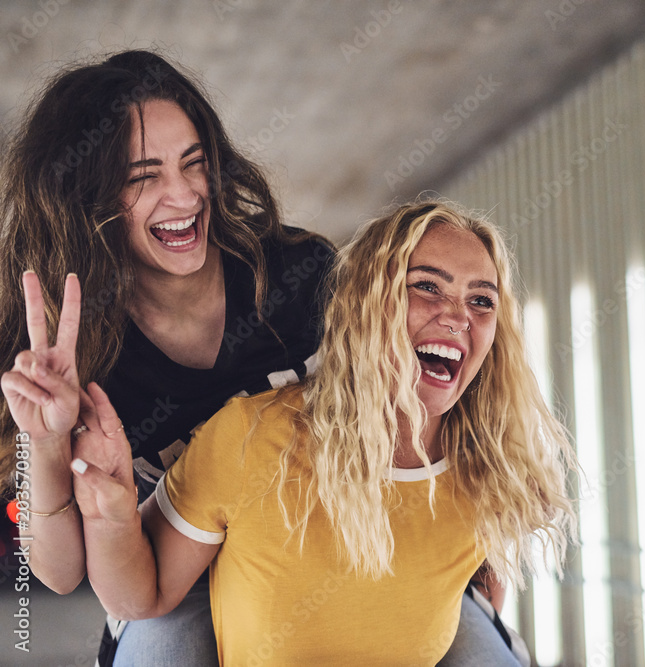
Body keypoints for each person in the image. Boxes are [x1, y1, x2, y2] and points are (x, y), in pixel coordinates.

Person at [66, 201, 574, 664]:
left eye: (481, 301)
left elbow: (479, 585)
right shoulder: (250, 438)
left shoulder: (491, 468)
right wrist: (110, 515)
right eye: (427, 286)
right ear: (365, 304)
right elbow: (143, 597)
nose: (459, 317)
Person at [0, 49, 332, 665]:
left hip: (329, 548)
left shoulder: (300, 277)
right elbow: (61, 573)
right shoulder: (60, 353)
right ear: (88, 200)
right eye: (142, 176)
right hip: (171, 585)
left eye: (194, 164)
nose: (183, 196)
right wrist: (45, 444)